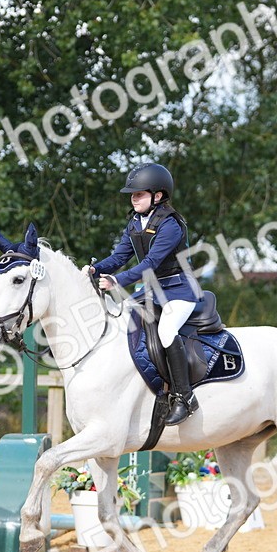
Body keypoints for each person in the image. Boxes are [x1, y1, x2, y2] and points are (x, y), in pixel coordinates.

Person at [82, 162, 203, 425]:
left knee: (167, 331)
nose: (134, 198)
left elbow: (150, 264)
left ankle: (184, 396)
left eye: (139, 194)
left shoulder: (170, 225)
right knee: (119, 318)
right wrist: (95, 269)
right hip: (151, 290)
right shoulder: (135, 222)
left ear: (157, 196)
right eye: (132, 194)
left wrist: (116, 281)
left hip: (179, 289)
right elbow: (119, 256)